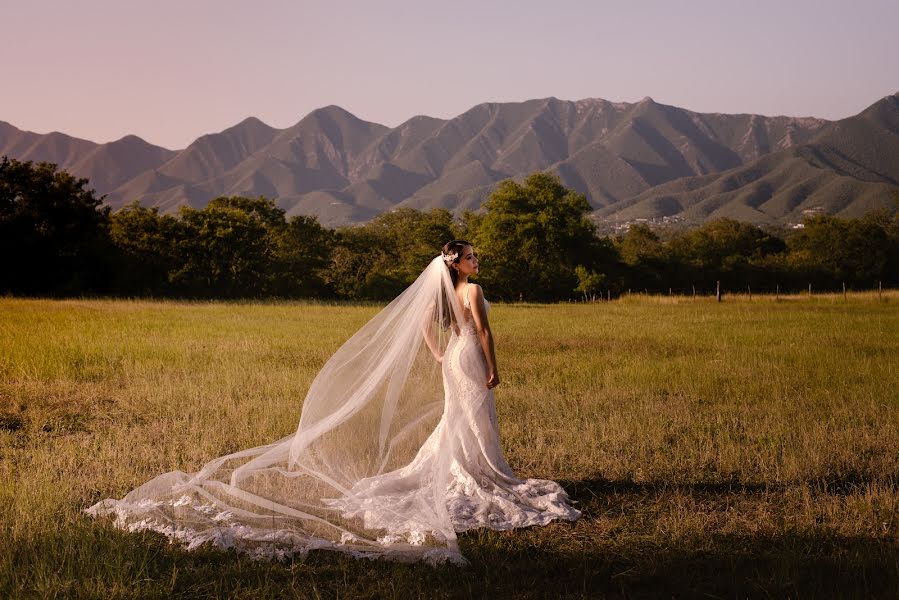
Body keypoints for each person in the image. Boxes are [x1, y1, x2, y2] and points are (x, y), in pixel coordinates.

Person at [87, 241, 580, 565]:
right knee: (473, 418)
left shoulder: (446, 294)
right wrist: (492, 367)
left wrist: (439, 356)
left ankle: (466, 468)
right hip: (469, 356)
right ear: (459, 266)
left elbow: (426, 329)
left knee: (460, 418)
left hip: (453, 357)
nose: (477, 261)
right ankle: (479, 473)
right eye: (471, 257)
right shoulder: (473, 292)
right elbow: (486, 330)